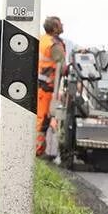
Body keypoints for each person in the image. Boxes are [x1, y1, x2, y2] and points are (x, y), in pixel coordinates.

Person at [35, 15, 67, 159]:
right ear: (54, 28)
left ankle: (39, 150)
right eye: (60, 24)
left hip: (39, 86)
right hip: (47, 88)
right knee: (42, 121)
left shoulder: (41, 39)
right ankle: (37, 152)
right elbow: (63, 68)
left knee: (40, 119)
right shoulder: (54, 45)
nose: (62, 25)